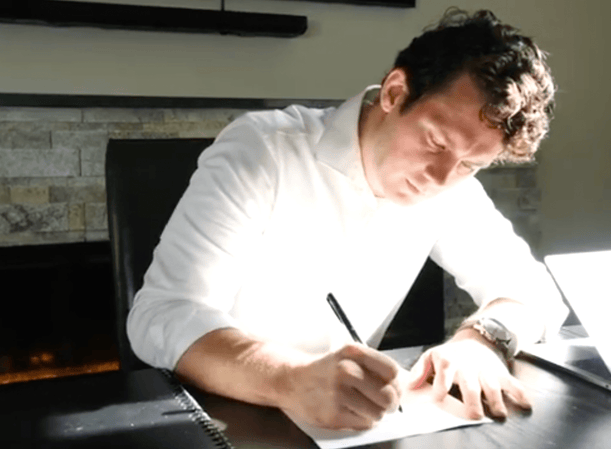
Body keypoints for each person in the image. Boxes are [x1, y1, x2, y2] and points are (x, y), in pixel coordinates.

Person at [127, 8, 568, 430]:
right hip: (219, 418)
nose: (440, 177)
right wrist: (289, 379)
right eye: (436, 142)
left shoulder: (450, 185)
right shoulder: (263, 149)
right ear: (395, 92)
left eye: (470, 164)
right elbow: (161, 312)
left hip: (347, 428)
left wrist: (482, 341)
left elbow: (535, 291)